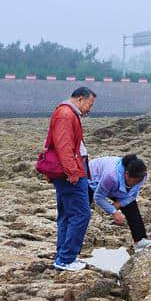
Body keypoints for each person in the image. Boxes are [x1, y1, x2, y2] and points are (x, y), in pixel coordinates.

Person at [49, 87, 96, 271]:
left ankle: (63, 256)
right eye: (89, 104)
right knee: (81, 214)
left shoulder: (67, 113)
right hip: (71, 172)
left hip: (70, 170)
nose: (90, 109)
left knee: (68, 215)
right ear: (80, 99)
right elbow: (63, 146)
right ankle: (66, 258)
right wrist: (73, 172)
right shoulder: (65, 115)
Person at [89, 154, 151, 251]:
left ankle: (140, 240)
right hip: (91, 178)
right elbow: (98, 197)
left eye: (138, 182)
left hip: (117, 185)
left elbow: (132, 195)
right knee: (82, 213)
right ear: (127, 174)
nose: (136, 184)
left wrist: (120, 204)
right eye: (134, 181)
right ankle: (72, 252)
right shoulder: (111, 176)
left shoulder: (141, 176)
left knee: (131, 206)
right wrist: (114, 212)